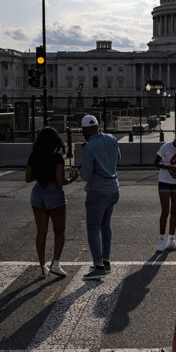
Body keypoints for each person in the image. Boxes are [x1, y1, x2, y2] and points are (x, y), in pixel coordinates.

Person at [25, 126, 79, 279]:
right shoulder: (57, 157)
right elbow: (61, 181)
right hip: (54, 193)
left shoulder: (33, 156)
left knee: (41, 232)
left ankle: (42, 266)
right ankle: (56, 263)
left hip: (38, 193)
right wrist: (72, 179)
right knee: (59, 231)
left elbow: (28, 178)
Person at [78, 114, 121, 280]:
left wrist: (80, 169)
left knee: (93, 228)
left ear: (86, 129)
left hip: (97, 191)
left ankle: (98, 266)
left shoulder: (89, 147)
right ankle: (106, 261)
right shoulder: (111, 138)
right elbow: (118, 158)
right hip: (113, 188)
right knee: (106, 226)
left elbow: (87, 175)